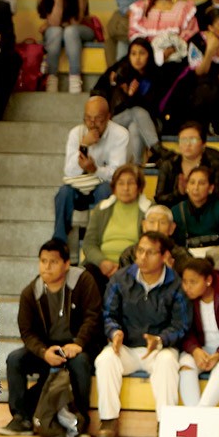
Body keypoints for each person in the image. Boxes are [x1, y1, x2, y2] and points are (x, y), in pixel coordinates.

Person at [0, 239, 101, 437]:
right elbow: (26, 332)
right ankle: (22, 419)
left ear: (66, 264)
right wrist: (43, 353)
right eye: (43, 261)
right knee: (15, 359)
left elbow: (93, 316)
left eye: (53, 262)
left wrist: (78, 344)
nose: (47, 267)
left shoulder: (83, 281)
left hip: (78, 345)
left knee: (80, 363)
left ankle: (80, 421)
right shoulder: (31, 292)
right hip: (47, 348)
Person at [94, 232, 189, 437]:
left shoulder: (176, 284)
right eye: (140, 251)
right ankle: (108, 420)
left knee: (167, 363)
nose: (143, 257)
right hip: (126, 346)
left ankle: (165, 424)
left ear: (164, 256)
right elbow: (108, 314)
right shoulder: (121, 279)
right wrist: (114, 332)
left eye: (150, 253)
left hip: (158, 348)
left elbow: (181, 325)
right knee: (105, 359)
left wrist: (161, 339)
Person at [52, 96, 129, 243]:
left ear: (108, 117)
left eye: (98, 119)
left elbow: (117, 174)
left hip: (102, 187)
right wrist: (84, 145)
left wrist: (95, 169)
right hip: (80, 188)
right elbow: (69, 172)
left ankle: (100, 238)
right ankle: (59, 241)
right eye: (88, 119)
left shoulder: (120, 134)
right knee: (63, 193)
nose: (92, 124)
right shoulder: (76, 133)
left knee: (105, 189)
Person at [177, 258, 219, 408]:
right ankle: (195, 415)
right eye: (184, 281)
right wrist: (195, 350)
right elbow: (184, 330)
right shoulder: (186, 298)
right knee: (186, 364)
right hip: (201, 350)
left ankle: (200, 415)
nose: (187, 287)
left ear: (208, 280)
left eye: (193, 282)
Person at [90, 39, 163, 163]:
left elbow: (152, 108)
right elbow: (103, 97)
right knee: (137, 111)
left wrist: (133, 96)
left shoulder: (156, 75)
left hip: (146, 123)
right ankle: (157, 148)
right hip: (116, 119)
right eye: (133, 54)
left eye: (142, 53)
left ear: (149, 55)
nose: (137, 58)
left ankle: (136, 166)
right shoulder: (121, 72)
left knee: (135, 126)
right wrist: (122, 92)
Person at [81, 164, 150, 278]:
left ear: (139, 187)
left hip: (133, 266)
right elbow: (89, 244)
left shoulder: (148, 210)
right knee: (87, 274)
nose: (125, 188)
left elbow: (151, 247)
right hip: (101, 266)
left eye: (131, 183)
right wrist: (102, 262)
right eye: (121, 183)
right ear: (114, 187)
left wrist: (123, 267)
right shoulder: (102, 208)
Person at [38, 0, 92, 93]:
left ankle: (75, 80)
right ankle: (51, 80)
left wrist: (56, 24)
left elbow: (76, 21)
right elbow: (55, 23)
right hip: (57, 32)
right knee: (55, 31)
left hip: (81, 30)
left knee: (70, 31)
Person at [128, 0, 199, 55]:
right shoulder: (141, 7)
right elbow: (134, 35)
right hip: (145, 59)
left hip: (175, 60)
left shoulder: (185, 9)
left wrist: (169, 51)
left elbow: (190, 36)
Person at [153, 122, 219, 208]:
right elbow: (159, 198)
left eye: (193, 140)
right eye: (183, 140)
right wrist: (179, 193)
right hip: (173, 214)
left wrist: (196, 193)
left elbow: (218, 198)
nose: (188, 144)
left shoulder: (214, 166)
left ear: (204, 144)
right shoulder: (168, 165)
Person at [172, 167, 219, 250]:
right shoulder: (176, 211)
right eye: (192, 183)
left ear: (210, 188)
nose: (196, 188)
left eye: (201, 183)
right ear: (187, 187)